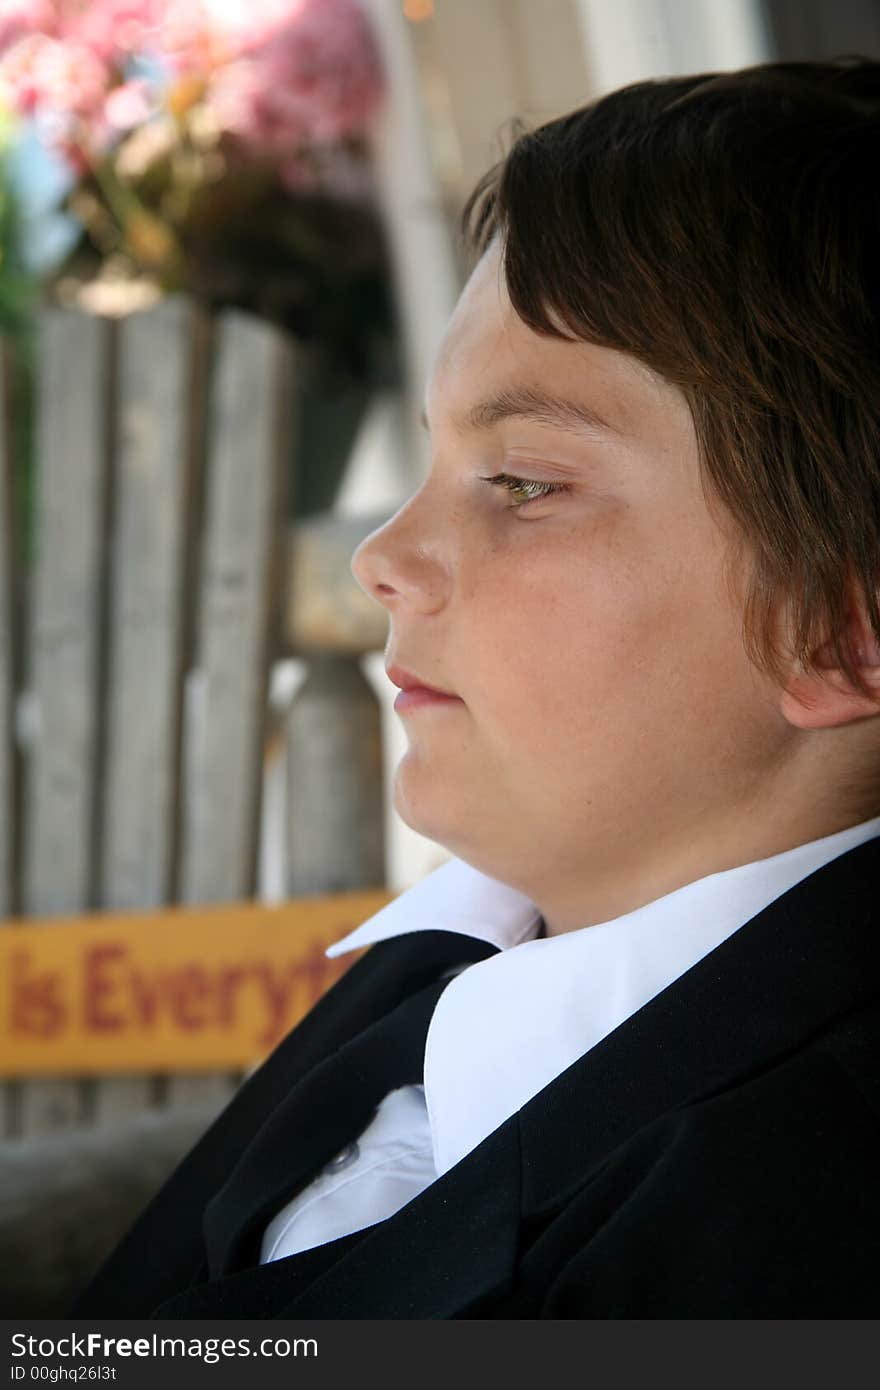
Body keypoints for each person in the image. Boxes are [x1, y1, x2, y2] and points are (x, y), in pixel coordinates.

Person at [70, 56, 880, 1319]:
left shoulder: (784, 1226)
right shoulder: (479, 936)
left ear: (844, 627)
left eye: (521, 484)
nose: (382, 559)